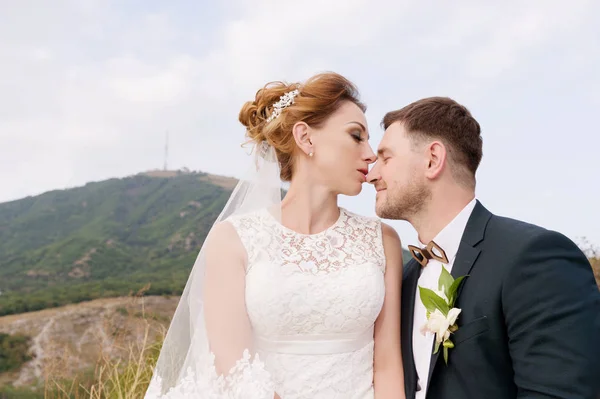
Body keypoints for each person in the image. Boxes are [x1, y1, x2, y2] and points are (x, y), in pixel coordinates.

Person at [144, 72, 406, 399]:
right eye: (356, 136)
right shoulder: (233, 240)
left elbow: (386, 364)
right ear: (306, 138)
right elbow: (235, 367)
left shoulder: (383, 240)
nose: (370, 154)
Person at [367, 96, 600, 398]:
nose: (372, 174)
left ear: (432, 159)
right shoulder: (404, 278)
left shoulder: (535, 258)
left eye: (386, 158)